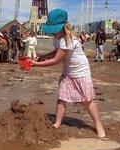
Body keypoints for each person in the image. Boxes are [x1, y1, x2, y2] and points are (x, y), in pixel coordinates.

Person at [30, 9, 105, 138]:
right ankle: (57, 123)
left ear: (62, 27)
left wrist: (36, 64)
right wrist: (42, 57)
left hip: (80, 72)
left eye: (55, 29)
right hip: (68, 73)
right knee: (62, 98)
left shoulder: (67, 40)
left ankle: (98, 125)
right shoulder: (57, 38)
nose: (53, 31)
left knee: (87, 100)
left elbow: (55, 61)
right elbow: (55, 53)